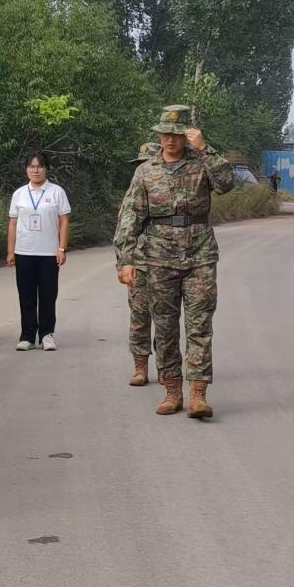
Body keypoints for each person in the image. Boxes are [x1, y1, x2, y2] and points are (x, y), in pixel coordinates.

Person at [114, 105, 235, 418]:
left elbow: (226, 183)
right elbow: (130, 217)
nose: (170, 139)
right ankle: (172, 391)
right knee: (165, 328)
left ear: (187, 135)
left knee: (199, 326)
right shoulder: (146, 171)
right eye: (164, 134)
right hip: (159, 258)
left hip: (199, 256)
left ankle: (198, 394)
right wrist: (126, 259)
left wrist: (206, 149)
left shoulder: (202, 163)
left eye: (177, 134)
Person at [6, 152, 71, 352]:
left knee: (48, 295)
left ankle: (46, 334)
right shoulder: (19, 194)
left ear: (46, 169)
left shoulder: (57, 192)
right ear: (26, 169)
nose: (36, 170)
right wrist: (10, 251)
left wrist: (61, 248)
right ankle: (27, 335)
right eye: (32, 166)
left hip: (48, 253)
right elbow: (12, 224)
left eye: (40, 166)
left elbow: (64, 221)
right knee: (26, 295)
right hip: (24, 251)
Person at [121, 143, 160, 387]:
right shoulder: (133, 193)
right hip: (140, 263)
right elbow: (123, 230)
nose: (143, 168)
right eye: (140, 164)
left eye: (148, 163)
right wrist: (124, 262)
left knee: (165, 320)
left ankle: (166, 367)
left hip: (167, 262)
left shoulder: (168, 190)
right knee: (139, 317)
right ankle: (140, 367)